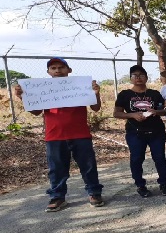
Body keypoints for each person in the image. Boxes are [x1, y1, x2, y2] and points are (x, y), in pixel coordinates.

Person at [14, 57, 105, 212]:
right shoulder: (42, 89)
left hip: (80, 134)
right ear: (48, 72)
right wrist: (24, 97)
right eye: (53, 68)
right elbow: (36, 112)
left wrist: (96, 93)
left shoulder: (80, 86)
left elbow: (95, 108)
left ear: (69, 70)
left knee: (88, 166)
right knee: (56, 169)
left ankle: (94, 193)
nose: (57, 71)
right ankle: (57, 196)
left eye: (61, 67)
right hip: (54, 136)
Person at [114, 65, 166, 197]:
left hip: (156, 131)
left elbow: (165, 111)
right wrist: (132, 115)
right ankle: (140, 185)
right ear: (130, 78)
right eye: (135, 75)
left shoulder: (154, 94)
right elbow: (116, 113)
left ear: (146, 77)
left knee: (159, 158)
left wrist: (156, 111)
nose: (138, 78)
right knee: (136, 159)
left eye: (141, 75)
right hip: (135, 132)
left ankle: (164, 183)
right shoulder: (124, 95)